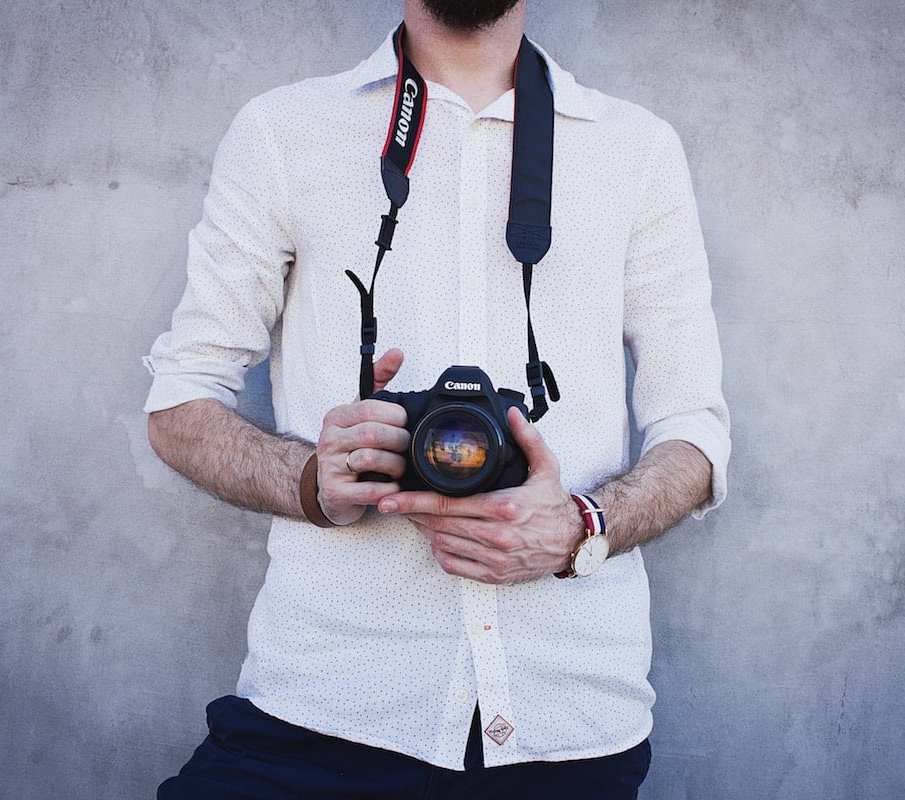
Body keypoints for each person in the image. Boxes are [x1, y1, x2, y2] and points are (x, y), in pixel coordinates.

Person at [143, 0, 730, 796]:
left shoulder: (636, 148)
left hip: (567, 716)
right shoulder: (285, 130)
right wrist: (314, 479)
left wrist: (578, 529)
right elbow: (181, 399)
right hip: (326, 703)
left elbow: (695, 426)